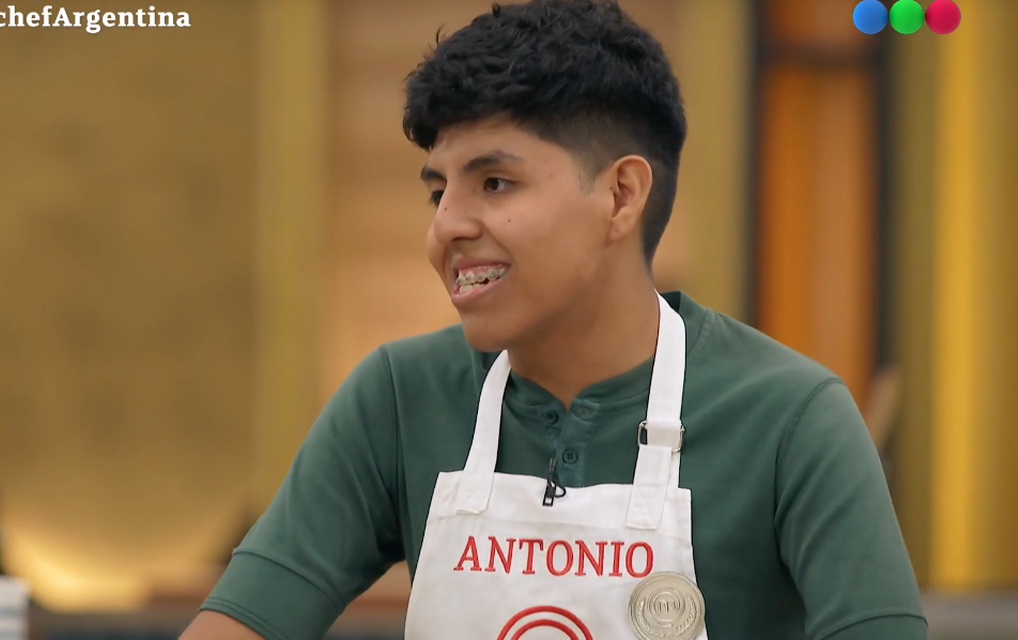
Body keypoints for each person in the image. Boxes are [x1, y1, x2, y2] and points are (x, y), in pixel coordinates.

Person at [179, 0, 927, 638]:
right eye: (438, 192)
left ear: (621, 196)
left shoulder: (791, 418)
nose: (448, 228)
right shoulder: (400, 397)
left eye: (495, 182)